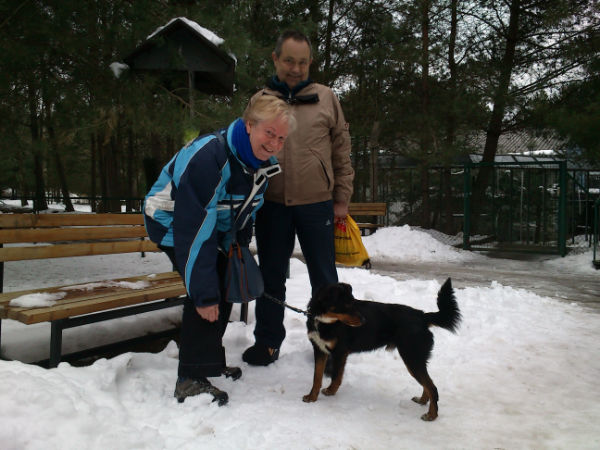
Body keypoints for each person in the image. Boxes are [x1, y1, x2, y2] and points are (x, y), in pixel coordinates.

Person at [144, 95, 294, 405]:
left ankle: (208, 361)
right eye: (269, 133)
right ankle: (189, 378)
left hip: (213, 228)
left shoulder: (261, 166)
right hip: (172, 223)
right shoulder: (209, 157)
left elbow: (244, 214)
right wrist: (203, 294)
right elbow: (194, 229)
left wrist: (236, 251)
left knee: (225, 282)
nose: (274, 143)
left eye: (281, 138)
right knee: (206, 287)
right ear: (249, 125)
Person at [242, 30, 354, 366]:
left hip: (317, 204)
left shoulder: (326, 98)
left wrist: (341, 197)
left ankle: (330, 344)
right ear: (275, 59)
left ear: (310, 63)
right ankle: (267, 343)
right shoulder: (260, 100)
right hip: (272, 205)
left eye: (303, 62)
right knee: (271, 277)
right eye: (289, 60)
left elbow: (341, 150)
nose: (295, 68)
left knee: (325, 280)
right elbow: (244, 149)